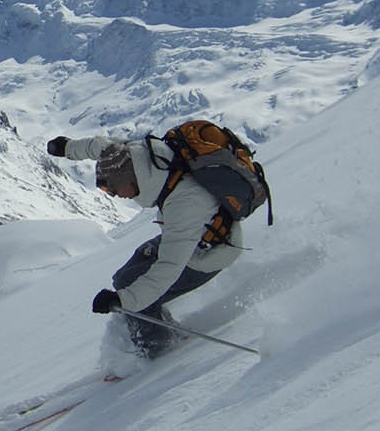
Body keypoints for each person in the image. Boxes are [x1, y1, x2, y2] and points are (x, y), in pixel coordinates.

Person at [46, 131, 246, 359]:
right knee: (124, 277)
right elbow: (101, 147)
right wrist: (67, 148)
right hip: (191, 234)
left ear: (129, 180)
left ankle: (160, 351)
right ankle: (164, 327)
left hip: (207, 254)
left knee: (133, 291)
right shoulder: (137, 157)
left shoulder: (183, 204)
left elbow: (169, 268)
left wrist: (125, 300)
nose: (112, 194)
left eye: (111, 188)